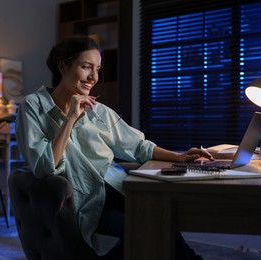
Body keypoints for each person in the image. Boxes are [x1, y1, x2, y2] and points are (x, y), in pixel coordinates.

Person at [15, 35, 212, 259]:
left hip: (119, 190)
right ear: (63, 66)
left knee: (163, 219)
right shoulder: (32, 106)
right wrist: (70, 119)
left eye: (97, 69)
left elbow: (138, 146)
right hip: (86, 205)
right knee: (147, 227)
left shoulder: (98, 110)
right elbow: (44, 167)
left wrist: (179, 157)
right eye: (86, 67)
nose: (94, 77)